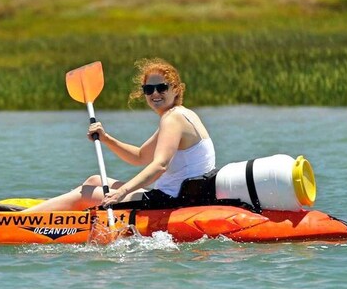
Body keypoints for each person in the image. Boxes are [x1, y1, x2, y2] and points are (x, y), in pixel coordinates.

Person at [22, 58, 215, 213]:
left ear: (176, 90)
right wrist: (106, 138)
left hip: (170, 200)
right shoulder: (179, 115)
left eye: (161, 88)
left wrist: (121, 193)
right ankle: (52, 210)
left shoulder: (173, 119)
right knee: (95, 181)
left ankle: (19, 219)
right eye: (148, 89)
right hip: (174, 195)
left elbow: (160, 165)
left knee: (84, 193)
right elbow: (139, 156)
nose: (155, 93)